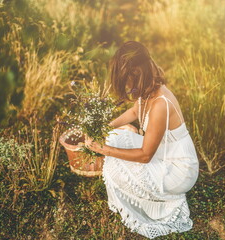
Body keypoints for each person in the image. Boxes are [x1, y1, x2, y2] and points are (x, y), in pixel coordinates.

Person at [82, 41, 199, 239]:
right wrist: (103, 128)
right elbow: (135, 110)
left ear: (136, 73)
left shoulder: (161, 103)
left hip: (178, 171)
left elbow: (145, 156)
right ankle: (152, 192)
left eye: (126, 78)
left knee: (113, 166)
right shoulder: (147, 89)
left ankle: (166, 200)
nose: (126, 85)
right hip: (163, 154)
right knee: (115, 136)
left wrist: (104, 149)